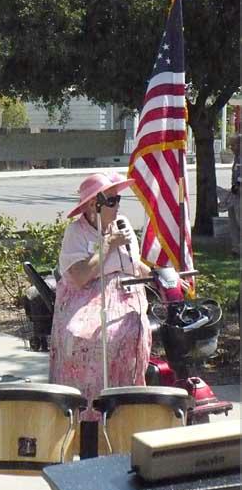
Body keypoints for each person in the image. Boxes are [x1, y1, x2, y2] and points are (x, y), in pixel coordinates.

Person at [49, 172, 152, 422]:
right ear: (95, 205)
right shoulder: (77, 232)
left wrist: (161, 276)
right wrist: (108, 244)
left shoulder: (123, 225)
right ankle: (85, 413)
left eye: (118, 200)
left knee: (129, 333)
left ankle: (124, 406)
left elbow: (135, 265)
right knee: (83, 336)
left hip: (124, 293)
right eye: (112, 201)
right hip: (86, 297)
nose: (118, 206)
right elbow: (81, 275)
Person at [228, 134, 240, 256]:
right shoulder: (236, 158)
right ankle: (236, 248)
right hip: (235, 194)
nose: (231, 147)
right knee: (233, 221)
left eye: (233, 145)